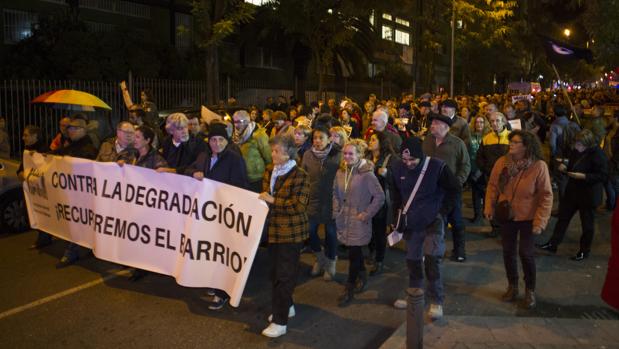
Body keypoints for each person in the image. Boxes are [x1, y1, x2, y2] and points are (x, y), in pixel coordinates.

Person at [390, 137, 460, 319]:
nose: (408, 164)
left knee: (432, 259)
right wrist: (395, 218)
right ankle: (414, 295)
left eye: (412, 160)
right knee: (412, 259)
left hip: (433, 220)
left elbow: (454, 189)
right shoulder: (397, 167)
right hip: (411, 221)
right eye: (405, 160)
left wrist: (442, 213)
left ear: (420, 156)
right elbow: (396, 194)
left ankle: (436, 300)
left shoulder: (437, 166)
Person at [485, 130, 553, 309]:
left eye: (515, 142)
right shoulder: (502, 163)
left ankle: (530, 290)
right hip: (507, 215)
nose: (511, 145)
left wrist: (540, 222)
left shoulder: (538, 166)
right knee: (508, 252)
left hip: (528, 217)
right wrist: (489, 207)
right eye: (511, 141)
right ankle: (512, 286)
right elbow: (492, 186)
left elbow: (546, 196)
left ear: (526, 146)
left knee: (526, 254)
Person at [185, 123, 249, 309]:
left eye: (221, 139)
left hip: (224, 214)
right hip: (207, 215)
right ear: (209, 141)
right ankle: (214, 284)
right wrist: (194, 173)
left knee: (222, 253)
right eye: (213, 139)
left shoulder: (234, 159)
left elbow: (241, 185)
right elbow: (187, 170)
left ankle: (222, 294)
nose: (217, 143)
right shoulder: (203, 157)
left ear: (226, 141)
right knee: (211, 250)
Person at [258, 135, 310, 338]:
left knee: (284, 276)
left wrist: (272, 199)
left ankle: (280, 322)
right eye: (272, 150)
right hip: (272, 231)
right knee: (274, 274)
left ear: (288, 153)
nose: (272, 154)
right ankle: (287, 305)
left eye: (276, 151)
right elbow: (264, 194)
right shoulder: (270, 170)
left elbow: (298, 206)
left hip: (291, 233)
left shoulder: (300, 175)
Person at [537, 129, 608, 261]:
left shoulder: (598, 155)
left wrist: (585, 176)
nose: (576, 147)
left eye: (580, 145)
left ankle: (584, 251)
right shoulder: (577, 151)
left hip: (588, 195)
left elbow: (603, 176)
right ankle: (553, 244)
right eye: (576, 144)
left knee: (587, 224)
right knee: (563, 218)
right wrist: (565, 168)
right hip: (573, 191)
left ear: (588, 144)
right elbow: (573, 166)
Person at [333, 139, 385, 306]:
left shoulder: (367, 175)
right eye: (345, 153)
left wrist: (366, 214)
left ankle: (349, 287)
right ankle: (362, 273)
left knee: (353, 254)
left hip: (358, 221)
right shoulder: (340, 172)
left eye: (351, 154)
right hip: (343, 219)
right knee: (353, 252)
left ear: (359, 155)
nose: (347, 157)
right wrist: (336, 210)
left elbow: (380, 197)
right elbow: (334, 192)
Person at [117, 125, 168, 281]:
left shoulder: (156, 158)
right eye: (134, 136)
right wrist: (119, 164)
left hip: (147, 207)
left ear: (148, 140)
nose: (134, 139)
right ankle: (132, 260)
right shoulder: (130, 154)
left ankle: (141, 267)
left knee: (142, 236)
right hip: (131, 204)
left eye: (138, 137)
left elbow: (164, 180)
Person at [422, 113, 470, 262]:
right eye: (432, 123)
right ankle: (436, 251)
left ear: (445, 127)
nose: (431, 125)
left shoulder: (457, 143)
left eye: (435, 123)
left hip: (450, 189)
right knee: (434, 220)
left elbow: (465, 165)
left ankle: (459, 250)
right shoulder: (427, 141)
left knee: (456, 220)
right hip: (431, 189)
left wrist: (457, 182)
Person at [53, 114, 99, 267]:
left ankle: (71, 252)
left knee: (77, 221)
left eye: (72, 128)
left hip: (82, 194)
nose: (69, 131)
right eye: (68, 128)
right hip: (72, 192)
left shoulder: (88, 147)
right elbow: (57, 156)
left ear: (81, 130)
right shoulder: (70, 146)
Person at [302, 126, 342, 281]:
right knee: (310, 231)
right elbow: (304, 176)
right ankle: (320, 259)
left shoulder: (337, 155)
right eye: (315, 138)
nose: (317, 141)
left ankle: (331, 261)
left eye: (321, 138)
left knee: (331, 233)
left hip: (332, 200)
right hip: (313, 200)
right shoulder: (307, 155)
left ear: (329, 139)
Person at [366, 132, 396, 275]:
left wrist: (386, 173)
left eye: (373, 140)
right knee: (369, 228)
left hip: (381, 200)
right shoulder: (366, 157)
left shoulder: (390, 159)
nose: (370, 142)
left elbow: (397, 179)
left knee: (379, 231)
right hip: (366, 198)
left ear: (381, 142)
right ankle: (372, 251)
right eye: (370, 139)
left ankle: (379, 259)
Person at [18, 125, 52, 249]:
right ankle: (43, 237)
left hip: (41, 190)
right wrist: (21, 173)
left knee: (43, 212)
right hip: (31, 189)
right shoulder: (27, 151)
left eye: (26, 135)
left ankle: (44, 238)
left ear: (35, 136)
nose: (23, 138)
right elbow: (21, 169)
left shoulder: (44, 151)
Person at [232, 110, 272, 193]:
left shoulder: (259, 135)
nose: (236, 125)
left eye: (239, 121)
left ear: (247, 121)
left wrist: (269, 176)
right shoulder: (236, 136)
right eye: (235, 121)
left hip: (257, 179)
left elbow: (269, 157)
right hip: (241, 177)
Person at [468, 115, 489, 224]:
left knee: (486, 193)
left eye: (481, 122)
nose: (479, 124)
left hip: (484, 169)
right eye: (477, 122)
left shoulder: (489, 136)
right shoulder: (470, 136)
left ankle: (486, 214)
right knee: (475, 193)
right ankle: (477, 215)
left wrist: (482, 169)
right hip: (473, 168)